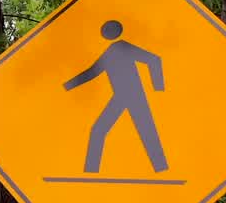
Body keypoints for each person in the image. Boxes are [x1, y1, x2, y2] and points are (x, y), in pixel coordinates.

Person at [63, 20, 168, 173]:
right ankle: (91, 171)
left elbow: (154, 59)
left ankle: (162, 170)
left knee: (147, 132)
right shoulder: (111, 51)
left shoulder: (123, 47)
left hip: (134, 94)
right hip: (121, 96)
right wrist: (67, 85)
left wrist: (158, 88)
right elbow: (92, 72)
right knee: (99, 130)